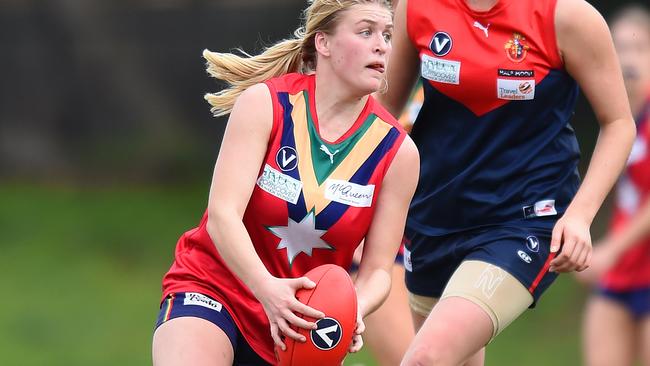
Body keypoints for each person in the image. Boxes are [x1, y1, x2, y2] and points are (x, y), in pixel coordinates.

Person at [151, 0, 419, 365]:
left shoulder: (398, 152)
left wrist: (352, 309)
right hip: (216, 291)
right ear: (323, 43)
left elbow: (376, 272)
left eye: (387, 35)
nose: (382, 45)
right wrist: (267, 290)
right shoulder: (266, 104)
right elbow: (222, 216)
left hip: (299, 325)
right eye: (366, 31)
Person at [378, 0, 637, 365]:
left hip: (523, 221)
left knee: (425, 359)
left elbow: (619, 123)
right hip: (433, 218)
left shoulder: (566, 15)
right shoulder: (417, 7)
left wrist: (580, 215)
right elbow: (382, 111)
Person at [577, 5, 650, 366]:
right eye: (620, 48)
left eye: (638, 49)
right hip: (622, 274)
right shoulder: (618, 119)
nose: (628, 60)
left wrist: (610, 250)